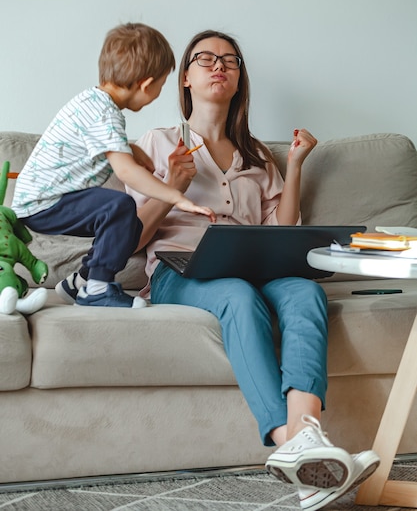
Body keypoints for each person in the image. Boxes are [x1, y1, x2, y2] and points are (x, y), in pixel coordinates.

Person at [124, 29, 380, 510]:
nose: (219, 65)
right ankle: (293, 445)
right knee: (237, 294)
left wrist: (297, 164)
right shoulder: (155, 144)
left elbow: (282, 235)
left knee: (305, 291)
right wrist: (170, 185)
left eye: (230, 60)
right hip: (179, 273)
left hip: (255, 267)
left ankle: (307, 438)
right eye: (205, 59)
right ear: (185, 79)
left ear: (240, 79)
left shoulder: (259, 156)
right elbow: (130, 241)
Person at [11, 23, 215, 309]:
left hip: (43, 200)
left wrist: (132, 149)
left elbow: (101, 142)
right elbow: (126, 172)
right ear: (146, 84)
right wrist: (178, 197)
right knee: (120, 206)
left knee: (127, 225)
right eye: (160, 85)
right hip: (44, 202)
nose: (157, 93)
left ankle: (80, 281)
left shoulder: (94, 102)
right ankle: (96, 288)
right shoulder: (105, 113)